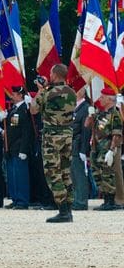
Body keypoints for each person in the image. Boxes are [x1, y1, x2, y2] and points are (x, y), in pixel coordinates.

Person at [30, 64, 76, 223]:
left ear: (55, 75)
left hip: (52, 136)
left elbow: (33, 109)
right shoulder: (72, 92)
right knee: (65, 172)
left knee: (52, 172)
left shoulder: (48, 93)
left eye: (50, 73)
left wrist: (41, 90)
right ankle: (69, 209)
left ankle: (62, 210)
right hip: (67, 134)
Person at [91, 86, 123, 210]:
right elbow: (89, 126)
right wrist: (91, 116)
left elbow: (116, 133)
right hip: (98, 147)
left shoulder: (114, 113)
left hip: (107, 146)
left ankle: (111, 200)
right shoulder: (101, 113)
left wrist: (111, 150)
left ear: (109, 99)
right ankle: (105, 197)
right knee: (97, 172)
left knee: (107, 173)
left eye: (103, 97)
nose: (100, 99)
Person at [70, 88, 92, 211]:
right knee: (72, 175)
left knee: (79, 175)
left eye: (77, 90)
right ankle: (76, 199)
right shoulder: (74, 106)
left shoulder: (85, 107)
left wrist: (84, 150)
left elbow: (86, 130)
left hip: (78, 146)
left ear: (83, 92)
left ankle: (81, 201)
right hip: (71, 146)